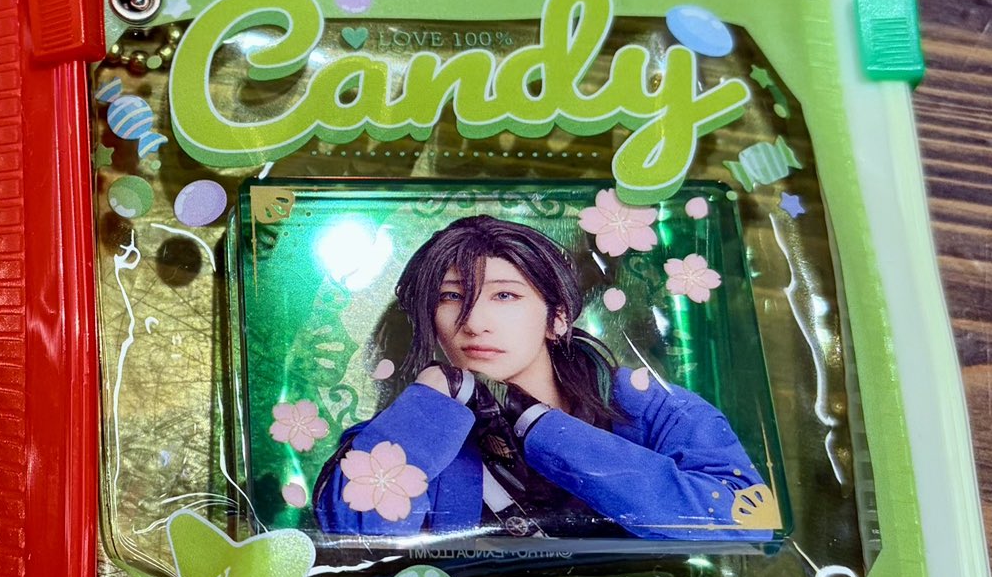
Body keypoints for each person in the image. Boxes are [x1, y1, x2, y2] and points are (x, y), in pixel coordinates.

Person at [312, 214, 775, 545]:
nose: (474, 322)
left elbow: (749, 519)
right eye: (451, 297)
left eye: (505, 295)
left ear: (557, 318)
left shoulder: (644, 404)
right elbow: (352, 539)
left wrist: (540, 426)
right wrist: (432, 401)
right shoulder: (419, 424)